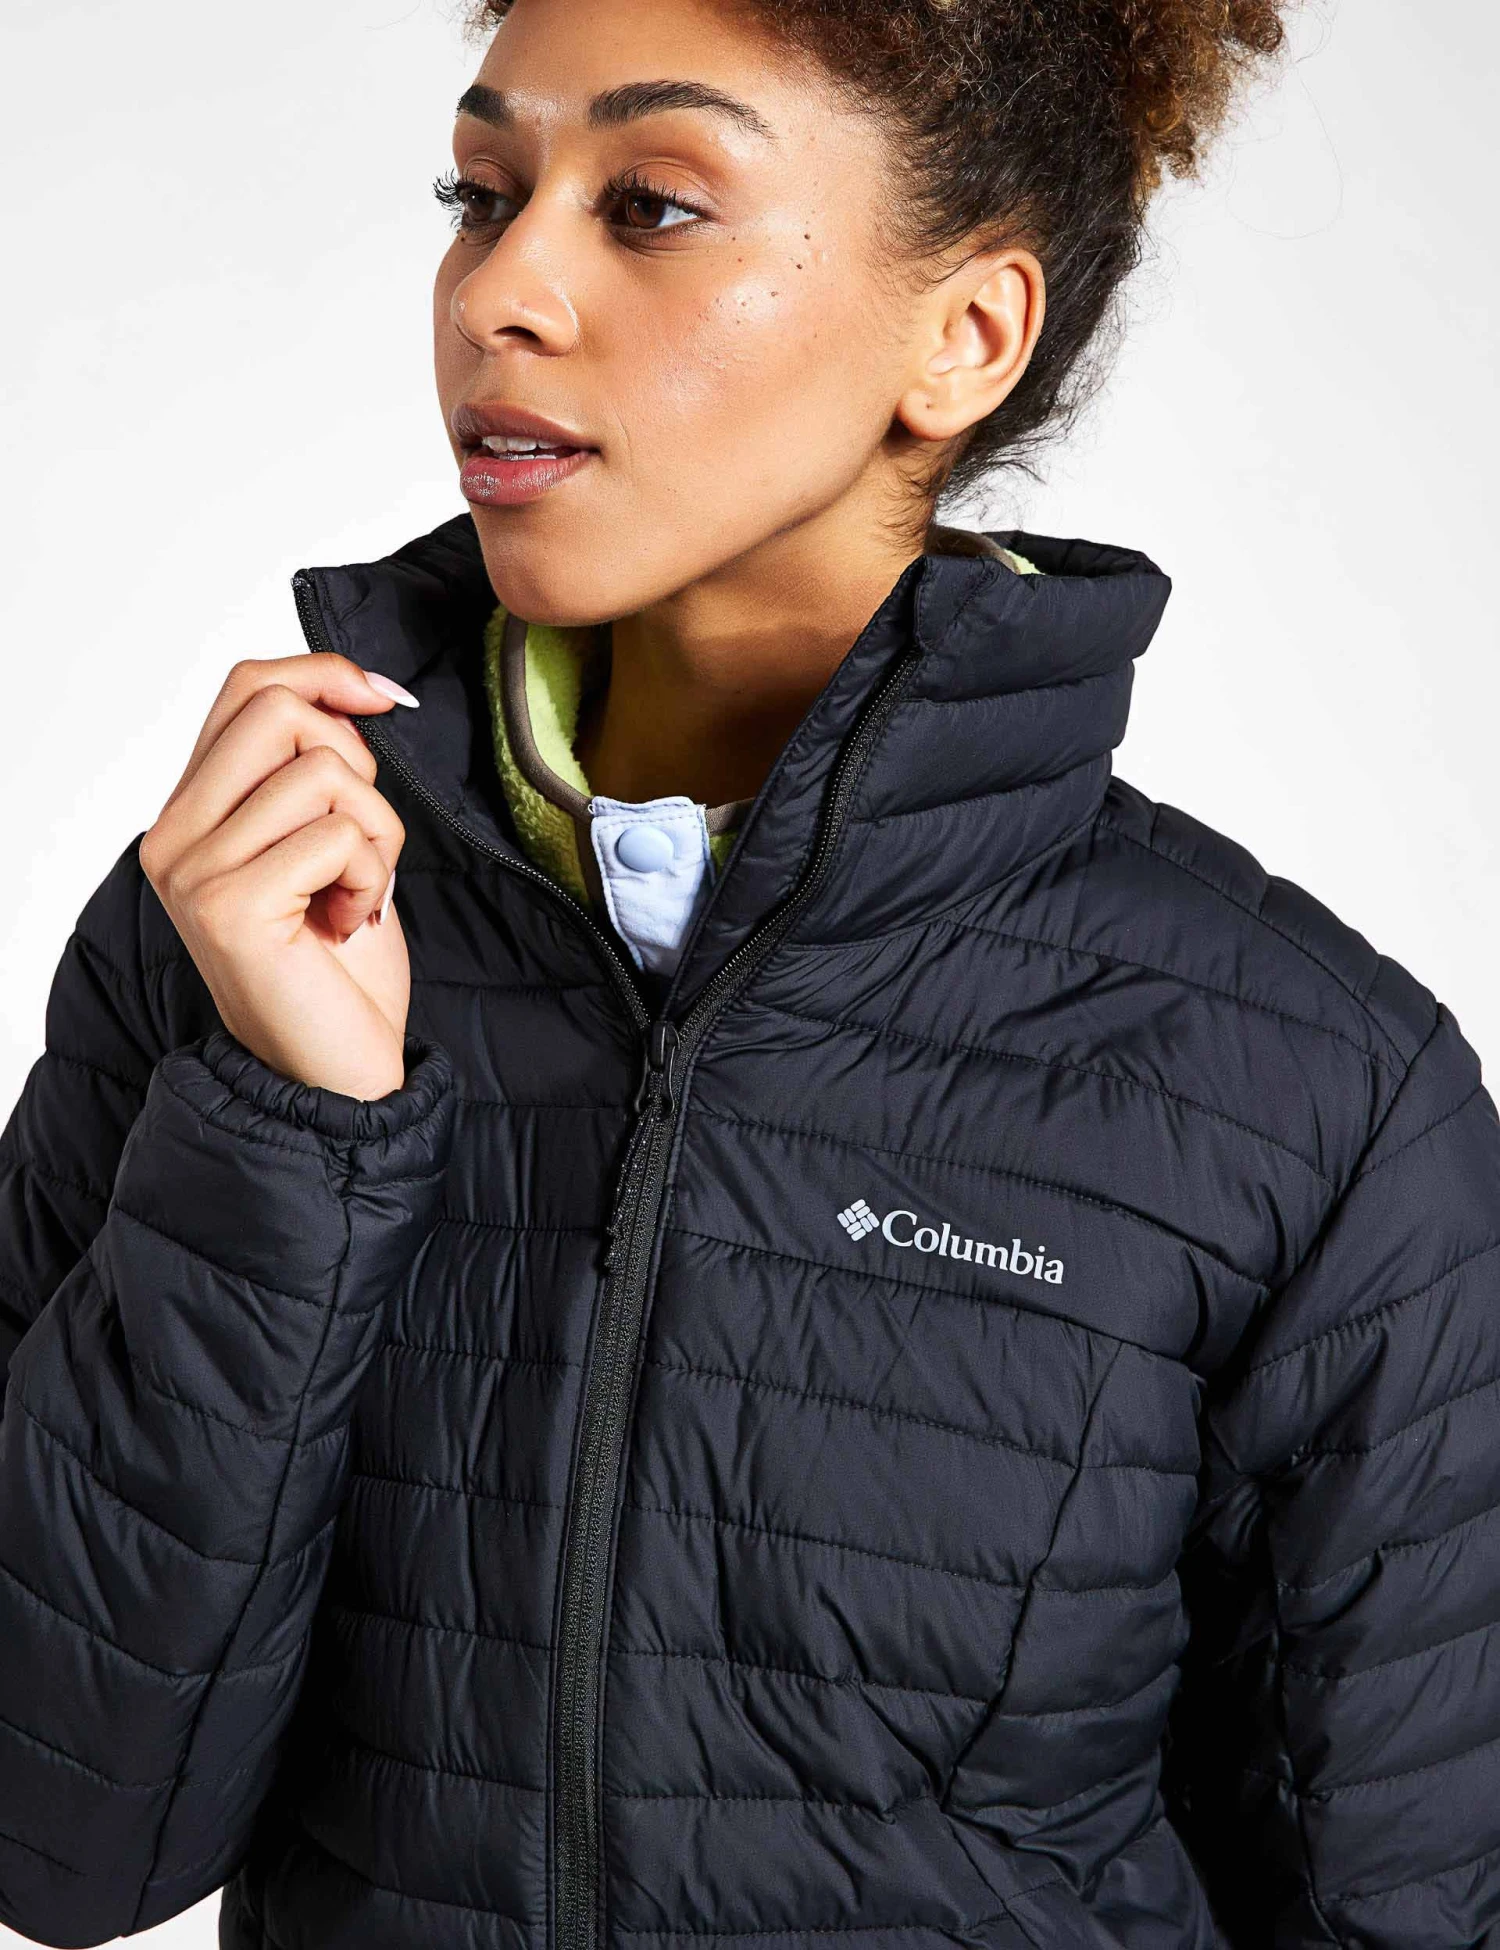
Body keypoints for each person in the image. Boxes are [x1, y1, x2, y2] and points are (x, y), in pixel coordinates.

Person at [1, 0, 1496, 1944]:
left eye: (651, 204)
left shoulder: (1315, 1091)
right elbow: (56, 1836)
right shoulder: (247, 924)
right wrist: (290, 1131)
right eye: (483, 192)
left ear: (965, 335)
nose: (498, 290)